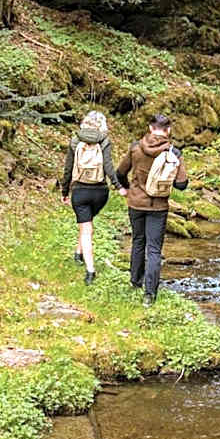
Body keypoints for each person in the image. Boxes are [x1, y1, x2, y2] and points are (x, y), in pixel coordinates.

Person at [116, 114, 189, 307]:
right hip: (158, 206)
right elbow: (182, 184)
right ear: (168, 130)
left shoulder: (135, 148)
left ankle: (135, 281)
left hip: (136, 203)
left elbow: (119, 173)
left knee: (138, 241)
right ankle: (150, 294)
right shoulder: (174, 153)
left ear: (150, 128)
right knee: (154, 249)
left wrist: (127, 189)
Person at [60, 111, 127, 285]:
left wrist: (64, 191)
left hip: (80, 191)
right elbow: (108, 166)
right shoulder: (104, 140)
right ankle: (78, 253)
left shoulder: (75, 141)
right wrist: (118, 186)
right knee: (87, 225)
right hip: (100, 192)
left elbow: (68, 169)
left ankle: (90, 271)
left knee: (86, 228)